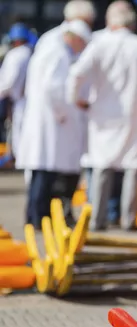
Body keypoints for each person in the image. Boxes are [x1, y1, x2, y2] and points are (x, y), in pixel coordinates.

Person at [67, 0, 137, 231]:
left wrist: (78, 100)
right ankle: (128, 220)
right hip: (136, 115)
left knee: (102, 166)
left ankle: (96, 219)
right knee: (133, 167)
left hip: (103, 116)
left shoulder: (99, 44)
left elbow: (76, 74)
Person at [19, 21, 91, 228]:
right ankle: (38, 219)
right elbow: (53, 88)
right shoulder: (57, 53)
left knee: (42, 174)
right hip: (50, 121)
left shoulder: (52, 49)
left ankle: (36, 218)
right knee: (44, 176)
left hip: (47, 120)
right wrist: (63, 112)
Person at [0, 23, 32, 179]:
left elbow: (8, 82)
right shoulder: (30, 52)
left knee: (20, 135)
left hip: (20, 101)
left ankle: (22, 166)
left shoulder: (16, 55)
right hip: (26, 101)